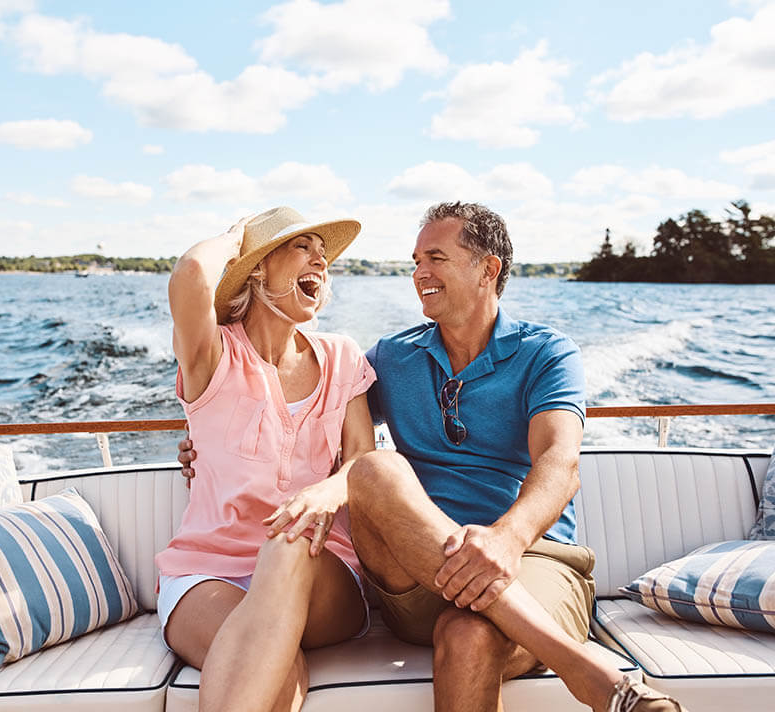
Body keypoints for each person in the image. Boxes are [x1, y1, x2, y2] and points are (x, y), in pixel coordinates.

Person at [179, 202, 688, 712]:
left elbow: (560, 461)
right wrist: (203, 443)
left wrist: (506, 540)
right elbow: (308, 419)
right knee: (378, 467)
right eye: (416, 260)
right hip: (415, 576)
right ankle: (593, 675)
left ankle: (581, 668)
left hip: (531, 558)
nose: (419, 273)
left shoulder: (548, 353)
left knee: (469, 635)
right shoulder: (391, 358)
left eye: (436, 258)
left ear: (488, 268)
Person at [157, 206, 376, 712]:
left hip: (323, 567)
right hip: (208, 571)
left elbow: (362, 458)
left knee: (290, 546)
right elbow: (191, 274)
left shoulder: (343, 356)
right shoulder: (212, 354)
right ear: (258, 268)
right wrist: (239, 237)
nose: (321, 262)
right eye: (303, 248)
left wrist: (328, 490)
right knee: (277, 670)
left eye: (325, 256)